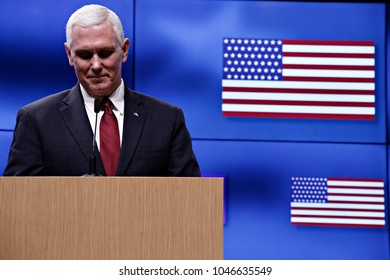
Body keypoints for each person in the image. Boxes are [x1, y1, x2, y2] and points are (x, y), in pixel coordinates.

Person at [3, 4, 201, 177]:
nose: (96, 65)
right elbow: (18, 203)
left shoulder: (167, 119)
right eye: (85, 54)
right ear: (69, 55)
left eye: (105, 53)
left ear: (124, 50)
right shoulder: (37, 120)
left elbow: (189, 199)